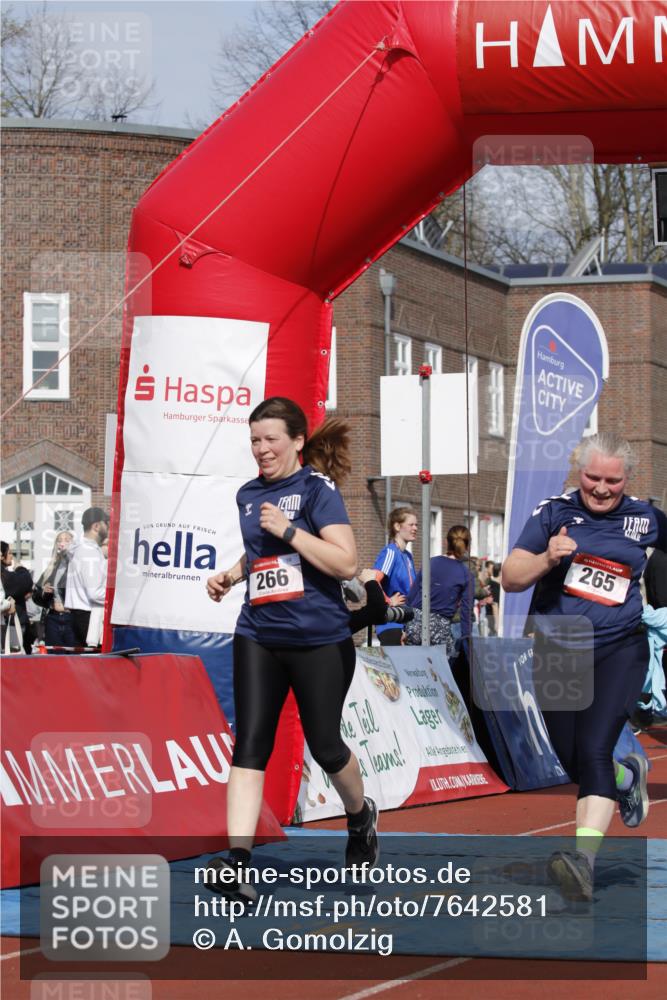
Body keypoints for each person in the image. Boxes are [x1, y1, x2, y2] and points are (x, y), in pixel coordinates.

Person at [205, 396, 378, 900]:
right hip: (258, 634)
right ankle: (237, 864)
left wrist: (291, 530)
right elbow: (262, 552)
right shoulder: (247, 494)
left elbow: (346, 563)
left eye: (270, 439)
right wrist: (232, 576)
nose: (261, 449)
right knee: (249, 744)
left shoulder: (316, 490)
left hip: (319, 640)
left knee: (325, 746)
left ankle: (359, 816)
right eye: (254, 440)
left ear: (297, 441)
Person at [502, 432, 667, 902]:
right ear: (578, 471)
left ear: (626, 479)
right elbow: (510, 578)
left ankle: (582, 862)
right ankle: (626, 777)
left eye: (612, 481)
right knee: (573, 761)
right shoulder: (553, 513)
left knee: (595, 748)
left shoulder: (645, 517)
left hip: (621, 648)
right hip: (558, 648)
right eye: (593, 477)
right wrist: (546, 557)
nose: (600, 488)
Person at [404, 525, 473, 658]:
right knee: (440, 673)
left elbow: (411, 597)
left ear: (446, 542)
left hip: (416, 622)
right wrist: (467, 643)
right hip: (440, 627)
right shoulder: (466, 574)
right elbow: (466, 613)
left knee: (413, 669)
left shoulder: (430, 563)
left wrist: (403, 628)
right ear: (467, 546)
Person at [373, 506, 418, 645]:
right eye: (411, 524)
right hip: (391, 624)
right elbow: (372, 581)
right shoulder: (390, 552)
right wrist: (388, 601)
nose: (415, 528)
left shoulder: (408, 556)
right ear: (397, 526)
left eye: (416, 525)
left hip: (408, 621)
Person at [65, 507, 109, 646]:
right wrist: (117, 597)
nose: (108, 527)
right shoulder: (88, 551)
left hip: (82, 614)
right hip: (88, 617)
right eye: (106, 523)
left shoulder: (83, 548)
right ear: (96, 526)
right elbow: (95, 592)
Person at [32, 531, 77, 648]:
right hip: (53, 618)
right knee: (55, 658)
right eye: (59, 540)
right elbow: (35, 594)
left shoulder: (77, 565)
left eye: (67, 540)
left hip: (72, 618)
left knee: (74, 658)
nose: (63, 543)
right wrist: (44, 592)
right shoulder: (51, 568)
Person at [1, 540, 34, 652]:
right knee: (13, 656)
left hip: (11, 623)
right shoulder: (5, 575)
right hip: (11, 625)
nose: (11, 556)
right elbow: (25, 582)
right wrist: (21, 569)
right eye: (9, 553)